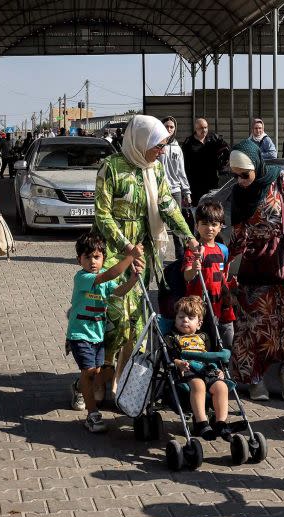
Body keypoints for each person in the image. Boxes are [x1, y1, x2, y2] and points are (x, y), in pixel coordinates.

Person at [94, 115, 198, 395]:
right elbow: (102, 215)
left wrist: (188, 236)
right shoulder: (111, 168)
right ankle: (101, 379)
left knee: (137, 321)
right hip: (115, 255)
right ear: (141, 141)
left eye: (165, 145)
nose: (161, 151)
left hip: (144, 255)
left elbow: (167, 206)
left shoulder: (156, 170)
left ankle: (122, 379)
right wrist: (127, 247)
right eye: (158, 145)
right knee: (115, 318)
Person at [227, 140, 284, 401]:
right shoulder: (239, 194)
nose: (240, 180)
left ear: (257, 166)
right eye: (235, 175)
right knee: (254, 325)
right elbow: (238, 235)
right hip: (255, 266)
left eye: (245, 175)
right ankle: (255, 379)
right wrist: (227, 266)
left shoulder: (283, 180)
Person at [66, 232, 145, 432]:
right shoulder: (83, 277)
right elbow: (110, 274)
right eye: (87, 257)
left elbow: (118, 290)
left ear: (103, 258)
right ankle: (92, 415)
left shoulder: (104, 281)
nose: (93, 261)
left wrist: (134, 279)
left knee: (97, 371)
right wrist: (130, 256)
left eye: (97, 257)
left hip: (97, 335)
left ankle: (78, 386)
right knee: (90, 372)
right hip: (80, 334)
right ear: (79, 260)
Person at [166, 296, 231, 441]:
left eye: (190, 317)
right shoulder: (172, 337)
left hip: (206, 368)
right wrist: (178, 363)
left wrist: (219, 369)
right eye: (181, 317)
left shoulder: (203, 337)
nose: (185, 320)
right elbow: (170, 356)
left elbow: (210, 355)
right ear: (175, 320)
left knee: (221, 387)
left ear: (199, 323)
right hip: (187, 369)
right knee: (198, 385)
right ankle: (202, 422)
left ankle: (221, 423)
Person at [182, 200, 235, 350]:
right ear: (197, 225)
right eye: (204, 224)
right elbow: (187, 276)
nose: (209, 228)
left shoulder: (223, 249)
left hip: (217, 305)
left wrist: (230, 288)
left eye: (214, 224)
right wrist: (194, 268)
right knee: (199, 344)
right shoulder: (193, 249)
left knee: (218, 343)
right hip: (197, 308)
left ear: (220, 227)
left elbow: (222, 276)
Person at [158, 116, 193, 259]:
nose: (169, 129)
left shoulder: (177, 148)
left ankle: (181, 257)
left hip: (175, 191)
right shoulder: (156, 145)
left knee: (177, 224)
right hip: (158, 190)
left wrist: (187, 192)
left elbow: (181, 171)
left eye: (172, 127)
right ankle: (157, 257)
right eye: (166, 126)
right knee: (157, 225)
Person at [182, 117, 230, 206]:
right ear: (196, 129)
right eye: (201, 128)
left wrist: (227, 161)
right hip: (195, 182)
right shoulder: (189, 143)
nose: (204, 130)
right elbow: (184, 164)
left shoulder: (214, 138)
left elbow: (226, 148)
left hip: (212, 180)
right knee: (198, 207)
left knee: (212, 206)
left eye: (205, 127)